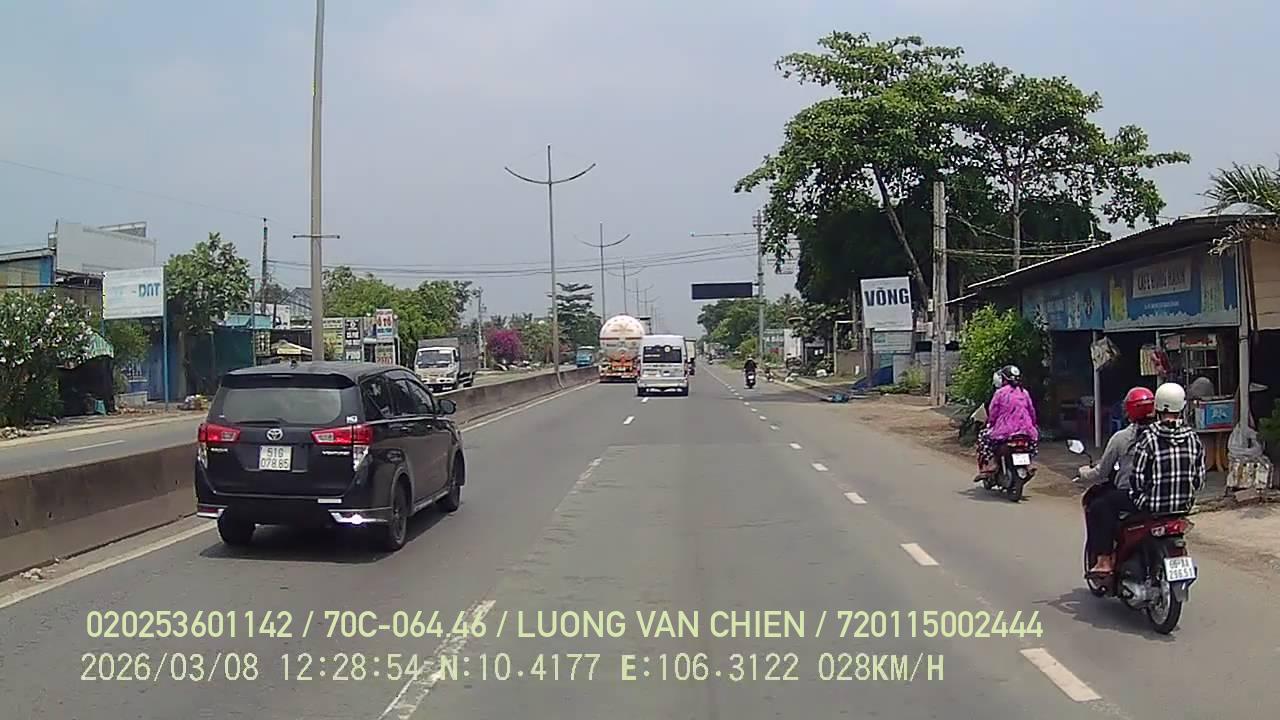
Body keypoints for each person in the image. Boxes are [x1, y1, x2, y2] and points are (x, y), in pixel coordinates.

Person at [1086, 382, 1205, 576]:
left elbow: (1137, 478)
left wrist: (1141, 495)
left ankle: (1104, 560)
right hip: (1183, 506)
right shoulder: (1193, 438)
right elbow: (1199, 478)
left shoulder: (1148, 438)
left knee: (1100, 505)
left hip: (1151, 505)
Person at [1079, 387, 1157, 574]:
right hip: (1167, 497)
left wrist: (1084, 473)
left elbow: (1101, 472)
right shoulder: (1165, 434)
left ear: (1128, 410)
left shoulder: (1123, 438)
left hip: (1136, 496)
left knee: (1098, 506)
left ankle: (1104, 559)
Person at [975, 365, 1039, 480]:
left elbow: (993, 412)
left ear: (1004, 379)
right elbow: (1032, 411)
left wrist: (990, 424)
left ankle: (993, 463)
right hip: (1026, 430)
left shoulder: (1000, 393)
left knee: (983, 437)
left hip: (1005, 431)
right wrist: (1033, 425)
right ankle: (1029, 463)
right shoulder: (1024, 392)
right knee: (1032, 442)